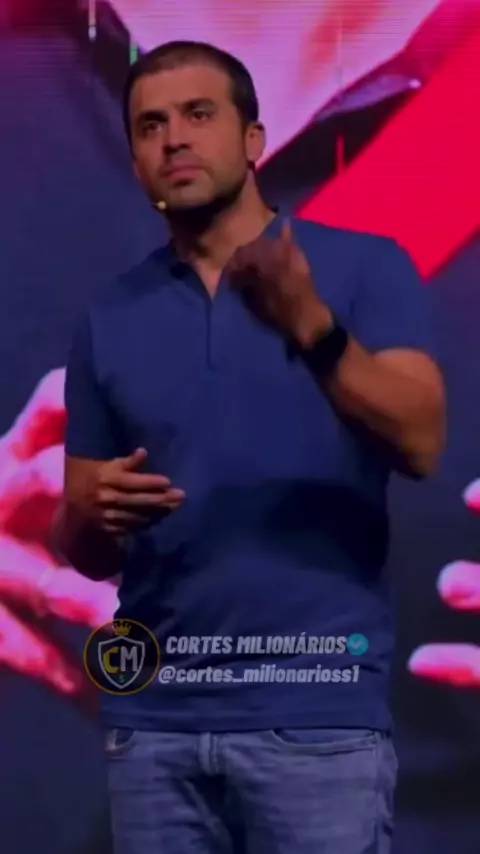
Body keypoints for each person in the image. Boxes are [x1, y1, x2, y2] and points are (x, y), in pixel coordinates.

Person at [56, 40, 445, 854]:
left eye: (198, 115)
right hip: (156, 727)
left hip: (314, 715)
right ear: (135, 157)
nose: (174, 139)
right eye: (150, 126)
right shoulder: (111, 316)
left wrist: (310, 325)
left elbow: (420, 440)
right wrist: (90, 514)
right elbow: (86, 546)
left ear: (254, 138)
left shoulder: (363, 267)